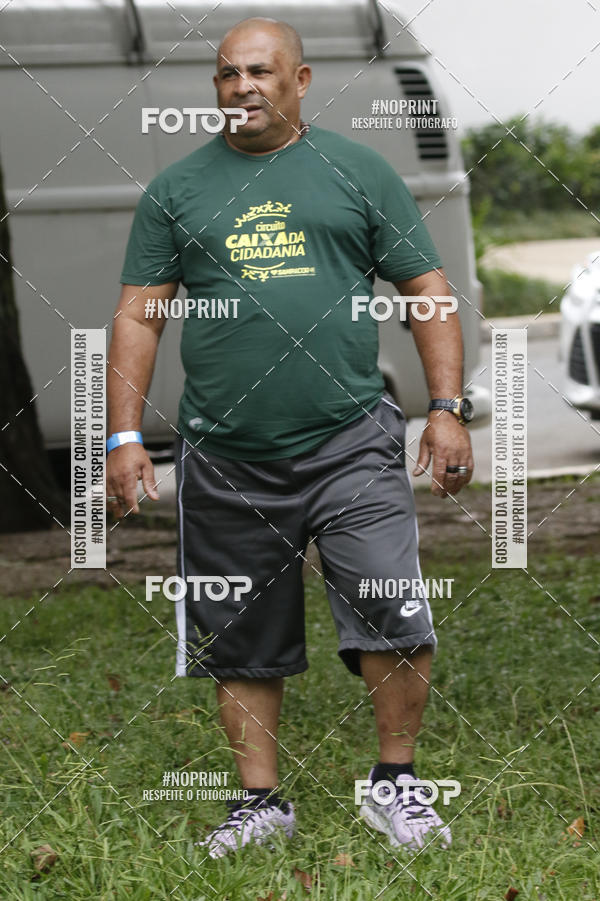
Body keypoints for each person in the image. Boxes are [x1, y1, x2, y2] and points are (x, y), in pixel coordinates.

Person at [106, 16, 473, 858]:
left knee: (392, 604)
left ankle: (395, 787)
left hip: (351, 440)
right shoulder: (178, 190)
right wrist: (124, 432)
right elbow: (138, 315)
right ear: (217, 88)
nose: (244, 86)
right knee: (239, 635)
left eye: (262, 72)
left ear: (300, 82)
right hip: (225, 455)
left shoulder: (358, 170)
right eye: (229, 73)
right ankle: (260, 803)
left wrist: (447, 406)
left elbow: (426, 287)